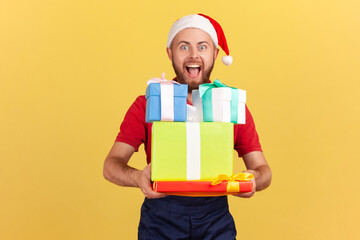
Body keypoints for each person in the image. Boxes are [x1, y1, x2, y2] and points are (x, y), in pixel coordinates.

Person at [103, 14, 272, 240]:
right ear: (170, 53)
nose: (194, 55)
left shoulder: (229, 104)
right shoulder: (148, 103)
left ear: (215, 53)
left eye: (202, 46)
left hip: (215, 221)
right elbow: (111, 165)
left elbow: (263, 170)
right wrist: (137, 178)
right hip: (160, 220)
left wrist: (253, 180)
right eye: (184, 47)